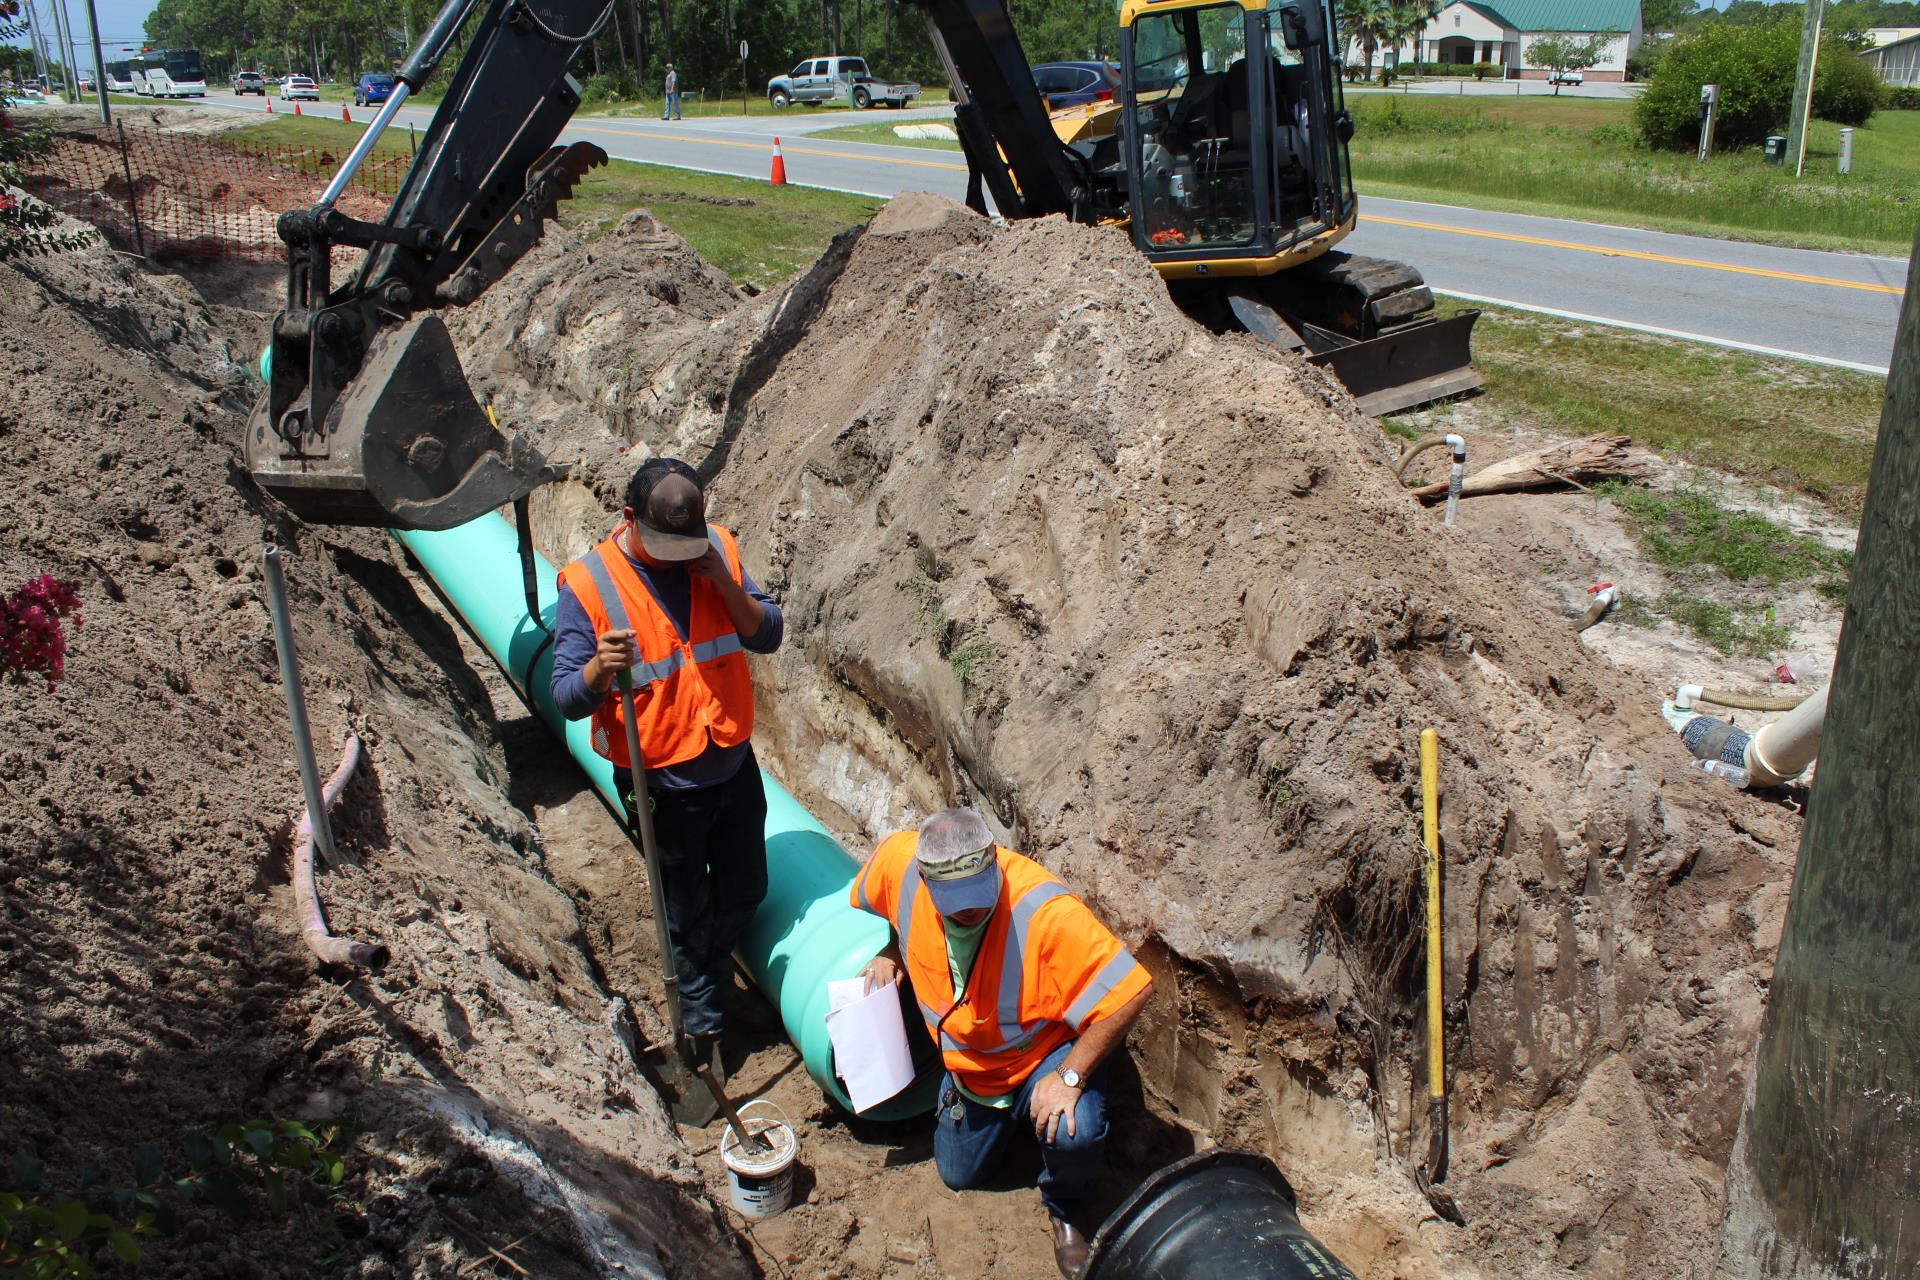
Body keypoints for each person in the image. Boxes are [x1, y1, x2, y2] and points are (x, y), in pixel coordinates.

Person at [850, 809, 1154, 1278]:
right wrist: (893, 951)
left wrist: (1069, 1078)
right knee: (957, 1175)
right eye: (954, 903)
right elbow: (887, 904)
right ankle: (997, 1120)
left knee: (1076, 1131)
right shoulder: (898, 863)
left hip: (1041, 1058)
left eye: (977, 895)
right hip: (971, 1068)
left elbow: (1132, 990)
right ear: (925, 880)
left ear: (993, 860)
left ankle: (1066, 1208)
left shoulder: (1044, 912)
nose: (970, 911)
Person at [551, 457, 782, 1072]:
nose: (679, 557)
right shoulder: (590, 584)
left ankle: (717, 984)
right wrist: (601, 667)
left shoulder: (717, 550)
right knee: (684, 912)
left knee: (746, 888)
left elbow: (767, 633)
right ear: (629, 519)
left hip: (730, 759)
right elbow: (568, 698)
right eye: (665, 544)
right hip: (662, 781)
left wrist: (724, 583)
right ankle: (702, 1040)